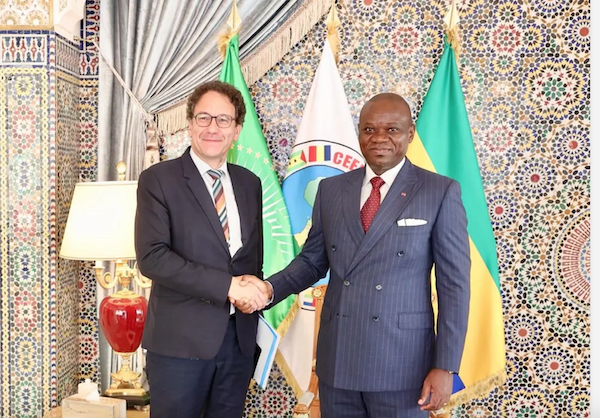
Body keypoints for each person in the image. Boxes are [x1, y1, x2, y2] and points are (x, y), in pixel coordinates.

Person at [237, 93, 471, 417]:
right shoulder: (332, 190)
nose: (379, 138)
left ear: (410, 133)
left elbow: (454, 287)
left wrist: (445, 366)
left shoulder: (438, 191)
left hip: (403, 364)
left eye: (392, 129)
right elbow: (312, 261)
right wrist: (268, 288)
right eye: (369, 129)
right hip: (339, 360)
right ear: (359, 132)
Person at [135, 80, 267, 418]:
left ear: (237, 130)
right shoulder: (158, 180)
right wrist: (228, 286)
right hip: (180, 344)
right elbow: (153, 258)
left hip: (237, 343)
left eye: (223, 120)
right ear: (190, 124)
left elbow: (252, 261)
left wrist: (255, 293)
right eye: (204, 118)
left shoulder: (249, 183)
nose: (212, 128)